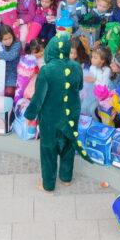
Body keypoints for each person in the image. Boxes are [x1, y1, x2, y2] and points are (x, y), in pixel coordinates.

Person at [24, 35, 85, 192]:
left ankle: (49, 184)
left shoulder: (46, 70)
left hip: (51, 117)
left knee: (48, 149)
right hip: (71, 114)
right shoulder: (76, 67)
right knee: (69, 145)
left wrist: (30, 116)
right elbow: (79, 87)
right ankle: (66, 178)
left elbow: (38, 98)